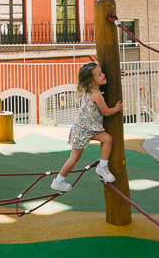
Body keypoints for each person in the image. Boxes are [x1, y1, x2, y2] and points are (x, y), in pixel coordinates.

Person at [51, 61, 123, 192]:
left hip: (88, 128)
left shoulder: (91, 90)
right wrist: (117, 108)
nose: (104, 75)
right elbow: (106, 112)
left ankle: (103, 166)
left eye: (102, 72)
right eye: (99, 74)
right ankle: (58, 181)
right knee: (74, 158)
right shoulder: (96, 95)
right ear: (91, 81)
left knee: (107, 139)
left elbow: (104, 80)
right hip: (83, 130)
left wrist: (116, 75)